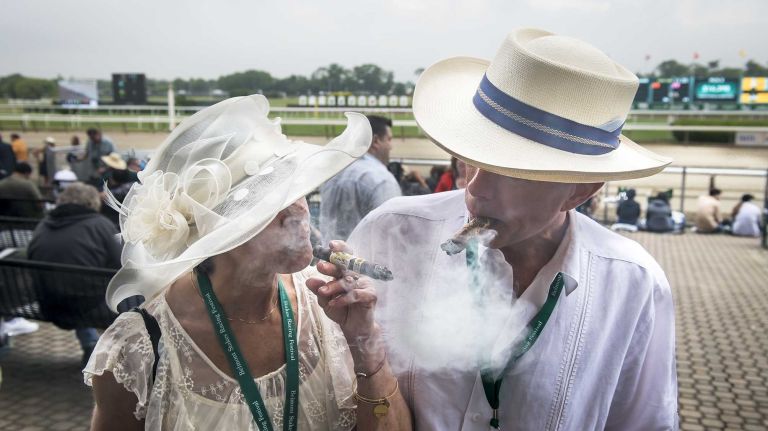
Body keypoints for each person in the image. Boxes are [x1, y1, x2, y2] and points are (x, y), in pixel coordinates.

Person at [309, 28, 677, 430]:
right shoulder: (393, 230)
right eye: (470, 158)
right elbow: (334, 397)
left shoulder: (632, 284)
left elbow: (644, 422)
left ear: (580, 190)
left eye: (512, 172)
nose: (476, 188)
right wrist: (363, 343)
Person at [84, 95, 392, 430]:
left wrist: (366, 345)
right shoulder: (138, 350)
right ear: (217, 229)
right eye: (269, 203)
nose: (299, 212)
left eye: (296, 189)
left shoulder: (329, 307)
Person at [27, 182, 121, 365]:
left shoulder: (43, 225)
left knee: (74, 287)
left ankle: (90, 343)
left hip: (49, 306)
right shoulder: (100, 225)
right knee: (130, 297)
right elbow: (121, 265)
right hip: (89, 308)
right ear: (92, 202)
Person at [319, 115, 401, 241]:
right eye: (389, 140)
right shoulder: (382, 180)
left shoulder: (332, 172)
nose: (391, 146)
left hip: (326, 256)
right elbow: (392, 234)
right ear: (376, 141)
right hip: (363, 259)